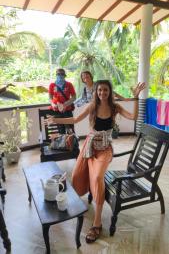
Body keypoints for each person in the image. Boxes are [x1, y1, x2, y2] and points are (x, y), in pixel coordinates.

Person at [45, 80, 145, 243]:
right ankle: (71, 201)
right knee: (77, 174)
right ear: (96, 92)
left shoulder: (115, 107)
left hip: (104, 149)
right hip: (89, 146)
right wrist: (55, 120)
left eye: (105, 90)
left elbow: (133, 117)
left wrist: (135, 98)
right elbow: (75, 119)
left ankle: (97, 223)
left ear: (110, 92)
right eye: (99, 90)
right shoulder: (92, 106)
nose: (102, 93)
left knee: (98, 177)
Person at [75, 70, 140, 107]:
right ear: (82, 80)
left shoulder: (98, 85)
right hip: (91, 109)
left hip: (101, 107)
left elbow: (112, 92)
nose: (86, 78)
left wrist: (124, 99)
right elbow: (83, 99)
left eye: (87, 76)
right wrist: (74, 104)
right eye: (83, 77)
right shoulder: (84, 89)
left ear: (91, 77)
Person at [48, 68, 76, 133]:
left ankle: (71, 142)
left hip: (67, 110)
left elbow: (74, 97)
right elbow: (50, 97)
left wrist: (65, 104)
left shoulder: (69, 85)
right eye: (58, 74)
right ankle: (62, 142)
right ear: (56, 75)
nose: (60, 75)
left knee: (70, 129)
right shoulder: (52, 85)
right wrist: (53, 104)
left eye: (62, 74)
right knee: (61, 130)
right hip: (56, 110)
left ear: (65, 75)